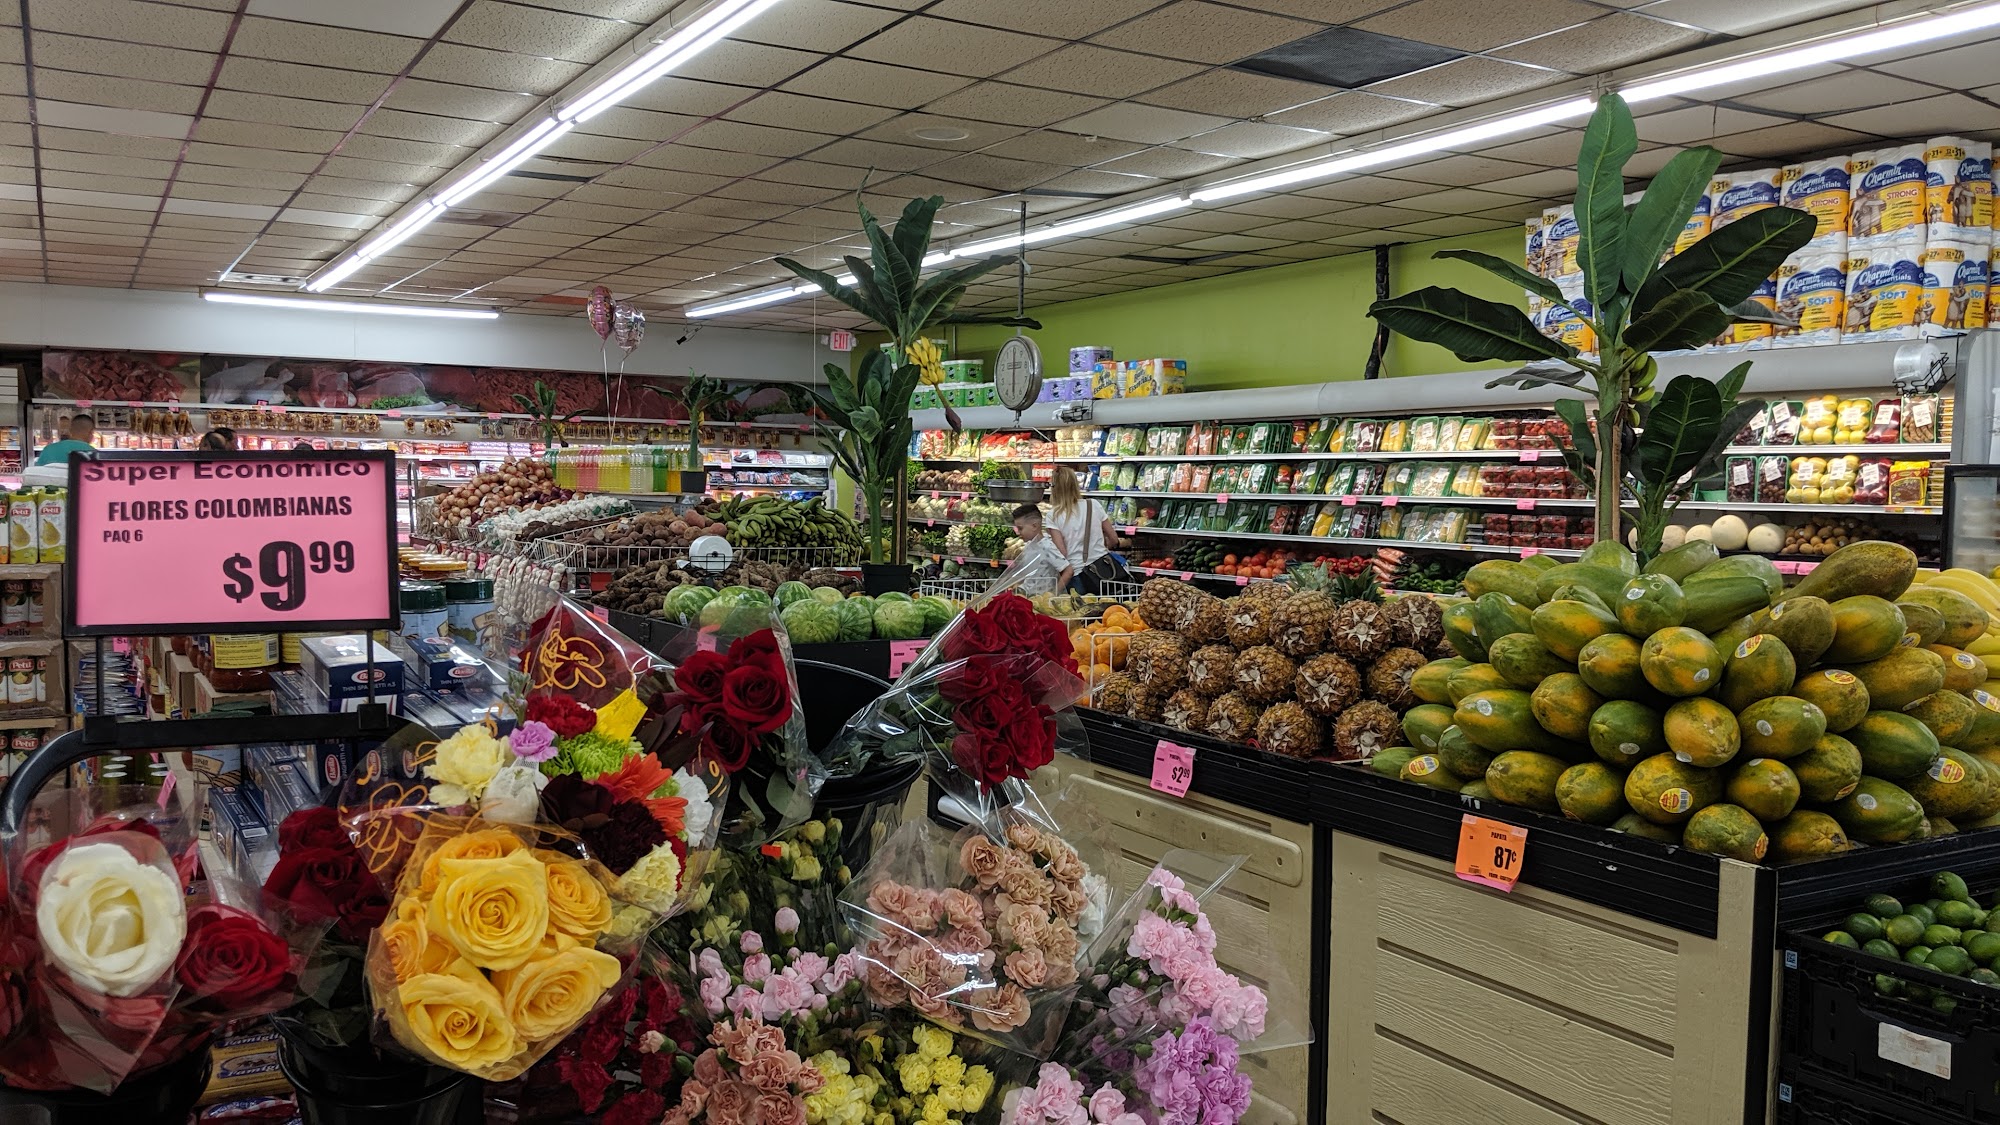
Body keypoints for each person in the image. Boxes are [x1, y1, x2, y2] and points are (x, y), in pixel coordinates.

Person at [1047, 466, 1117, 593]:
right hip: (1103, 571)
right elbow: (1114, 539)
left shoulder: (1054, 515)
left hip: (1077, 575)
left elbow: (1062, 553)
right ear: (1075, 484)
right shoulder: (1093, 504)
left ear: (1054, 488)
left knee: (1080, 606)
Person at [1009, 503, 1071, 592]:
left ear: (1034, 526)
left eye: (1020, 528)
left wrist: (1054, 594)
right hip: (1027, 594)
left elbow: (1068, 571)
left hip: (1041, 596)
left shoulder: (1047, 546)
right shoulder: (1029, 545)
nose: (1018, 532)